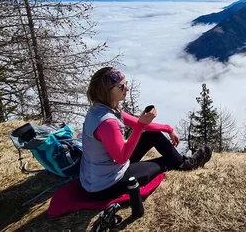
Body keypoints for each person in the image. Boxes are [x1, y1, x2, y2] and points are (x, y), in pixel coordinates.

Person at [80, 67, 212, 200]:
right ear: (107, 92)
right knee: (166, 161)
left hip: (99, 176)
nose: (127, 89)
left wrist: (168, 128)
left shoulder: (100, 109)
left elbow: (136, 123)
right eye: (121, 87)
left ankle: (185, 162)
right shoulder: (108, 122)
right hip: (107, 185)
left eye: (126, 84)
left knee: (151, 134)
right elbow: (122, 157)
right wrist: (140, 126)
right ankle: (187, 164)